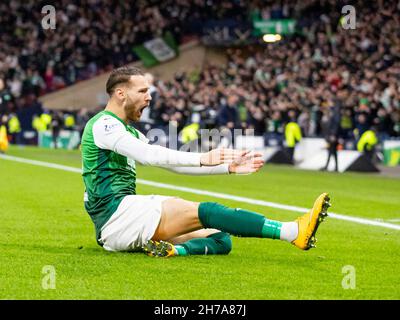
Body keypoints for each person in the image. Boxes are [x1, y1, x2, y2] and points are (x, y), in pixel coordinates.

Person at [81, 66, 330, 258]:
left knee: (221, 238)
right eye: (143, 91)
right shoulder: (104, 124)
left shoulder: (130, 132)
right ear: (120, 93)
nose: (149, 98)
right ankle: (292, 232)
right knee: (207, 211)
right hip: (116, 214)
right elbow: (150, 156)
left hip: (121, 223)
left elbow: (172, 165)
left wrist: (225, 168)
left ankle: (173, 251)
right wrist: (202, 157)